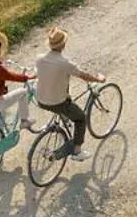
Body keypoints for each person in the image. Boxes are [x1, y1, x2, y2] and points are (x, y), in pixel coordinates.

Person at [34, 26, 105, 161]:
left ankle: (64, 118)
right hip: (58, 102)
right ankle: (77, 151)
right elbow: (83, 75)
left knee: (63, 102)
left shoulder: (39, 58)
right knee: (80, 118)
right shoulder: (65, 63)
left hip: (40, 100)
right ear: (64, 44)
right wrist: (98, 78)